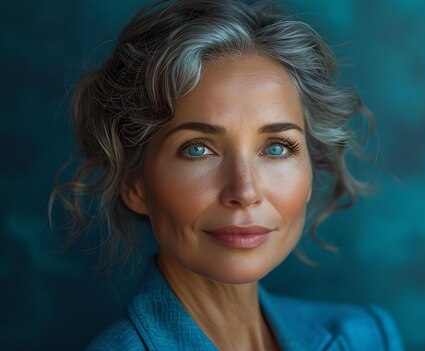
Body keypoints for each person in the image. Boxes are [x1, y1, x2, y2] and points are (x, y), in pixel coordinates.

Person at [51, 0, 405, 349]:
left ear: (311, 169)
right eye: (197, 149)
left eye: (277, 148)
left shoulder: (367, 336)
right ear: (135, 184)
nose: (244, 190)